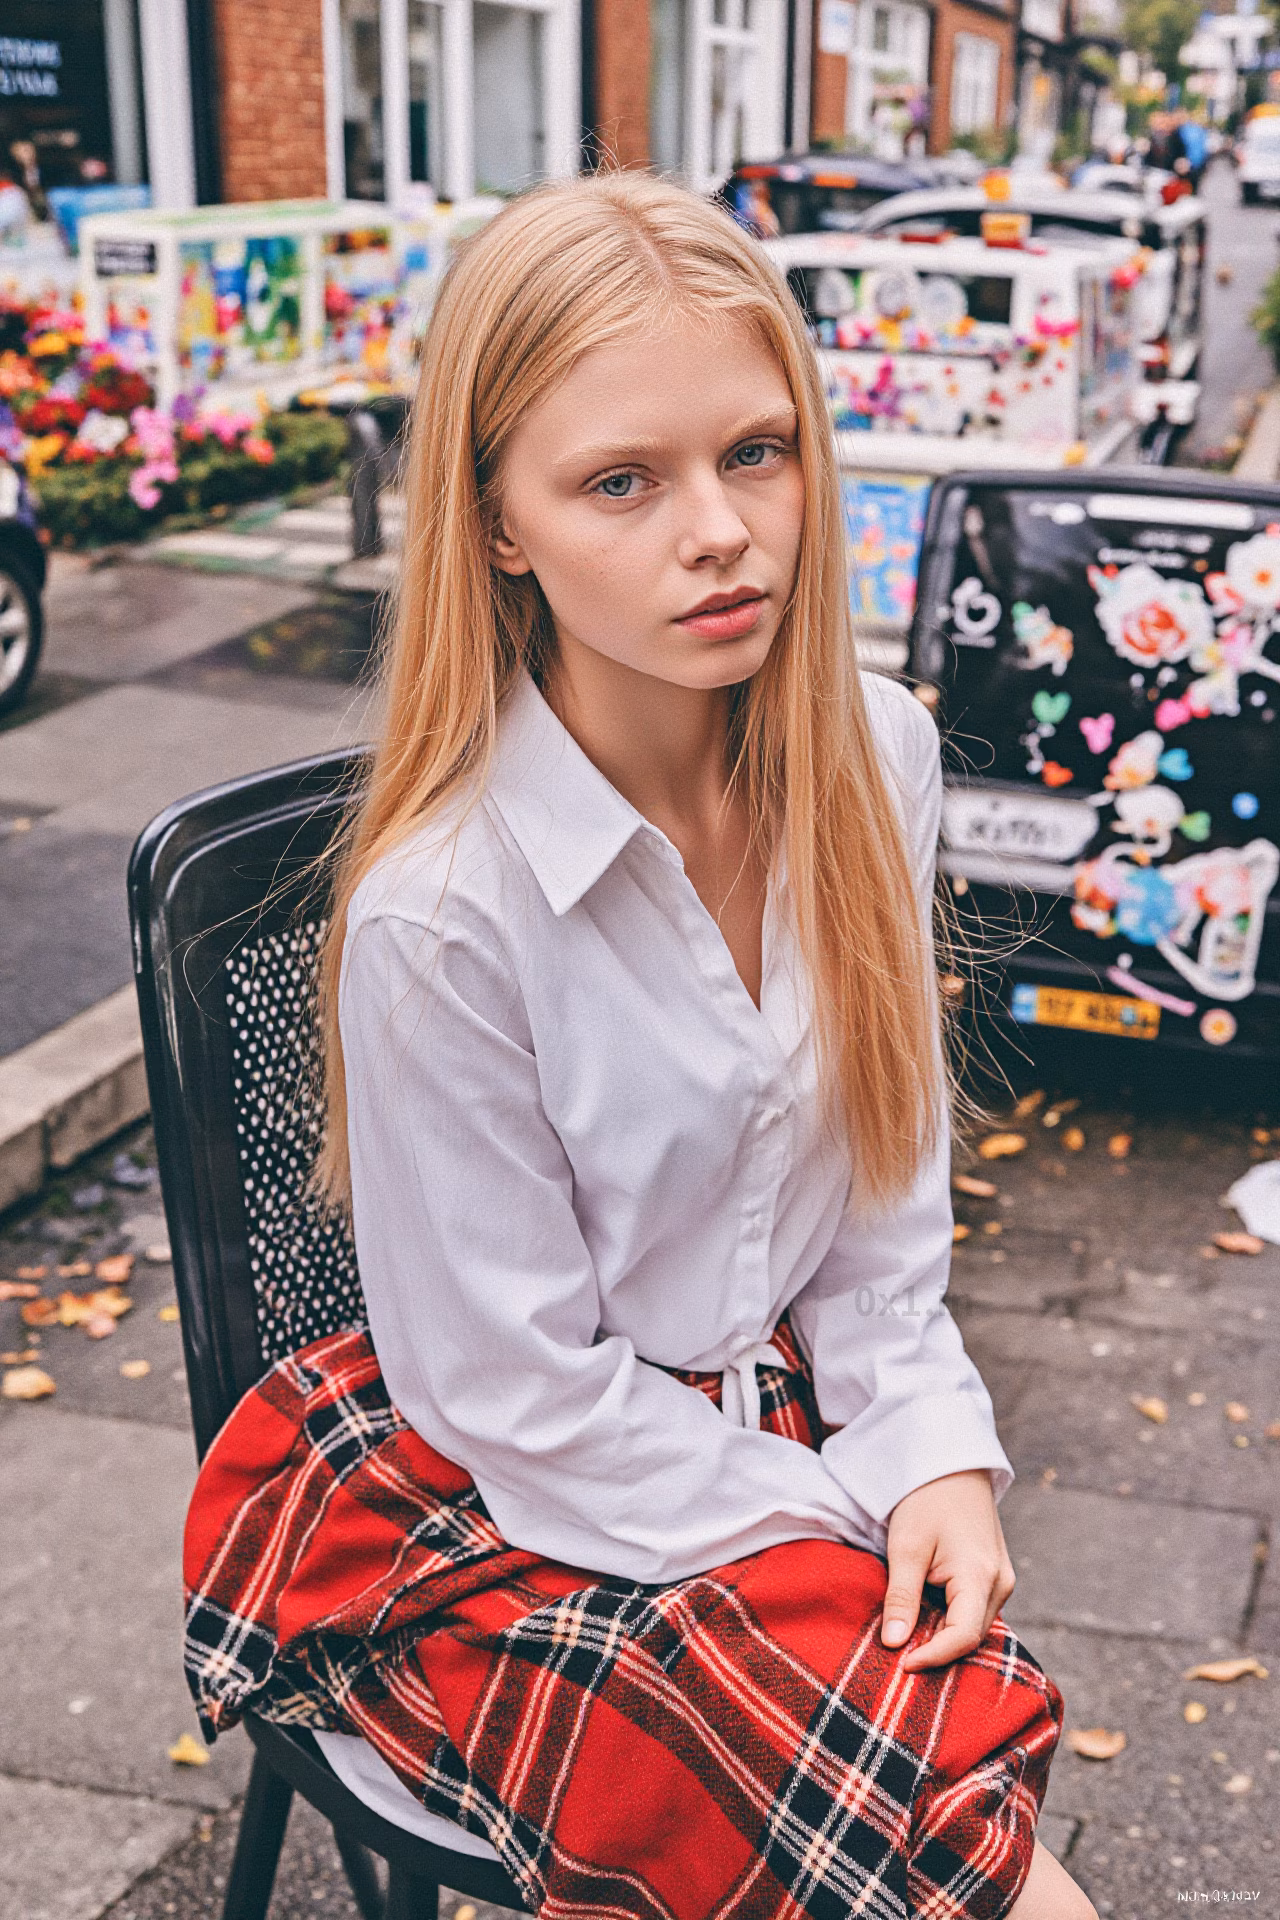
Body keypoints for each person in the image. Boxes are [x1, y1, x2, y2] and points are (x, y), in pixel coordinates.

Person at [182, 173, 1092, 1919]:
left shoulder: (874, 759)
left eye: (758, 451)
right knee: (966, 1838)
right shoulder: (447, 910)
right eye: (622, 479)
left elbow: (881, 1219)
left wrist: (933, 1452)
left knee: (935, 1789)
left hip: (764, 1416)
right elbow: (517, 1397)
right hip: (509, 1494)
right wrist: (837, 1510)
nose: (724, 531)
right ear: (499, 523)